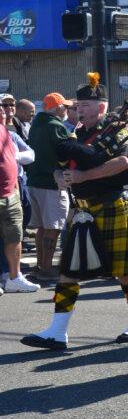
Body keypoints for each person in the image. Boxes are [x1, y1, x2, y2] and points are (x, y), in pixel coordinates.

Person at [21, 72, 128, 350]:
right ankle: (58, 332)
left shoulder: (117, 129)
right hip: (83, 210)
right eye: (76, 105)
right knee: (69, 270)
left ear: (101, 107)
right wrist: (61, 176)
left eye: (85, 105)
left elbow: (125, 162)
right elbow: (66, 166)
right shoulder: (78, 134)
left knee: (125, 273)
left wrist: (85, 177)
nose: (78, 109)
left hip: (112, 206)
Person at [25, 93, 73, 285]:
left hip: (35, 182)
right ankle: (46, 269)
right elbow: (66, 152)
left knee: (42, 228)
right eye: (65, 107)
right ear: (58, 108)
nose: (67, 110)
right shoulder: (56, 126)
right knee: (53, 228)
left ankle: (40, 266)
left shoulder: (36, 124)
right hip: (52, 183)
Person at [0, 114, 36, 293]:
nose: (3, 112)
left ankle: (14, 277)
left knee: (15, 236)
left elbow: (21, 157)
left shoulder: (6, 132)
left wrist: (14, 188)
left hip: (11, 195)